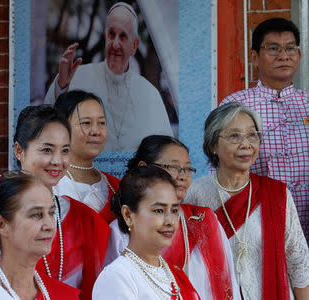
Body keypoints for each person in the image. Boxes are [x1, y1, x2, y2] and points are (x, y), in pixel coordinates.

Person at [0, 105, 109, 300]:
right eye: (47, 149)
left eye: (65, 151)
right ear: (18, 150)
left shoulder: (81, 216)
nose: (58, 161)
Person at [185, 102, 309, 299]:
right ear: (213, 145)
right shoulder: (193, 194)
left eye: (252, 135)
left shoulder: (277, 194)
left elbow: (298, 261)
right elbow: (183, 261)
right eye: (234, 136)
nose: (246, 144)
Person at [106, 135, 240, 299]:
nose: (183, 176)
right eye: (174, 167)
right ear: (144, 168)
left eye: (187, 169)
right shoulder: (122, 230)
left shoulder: (205, 220)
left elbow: (229, 283)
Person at [220, 18, 308, 241]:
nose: (283, 56)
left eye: (290, 48)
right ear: (254, 58)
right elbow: (220, 171)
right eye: (273, 48)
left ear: (298, 55)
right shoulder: (236, 106)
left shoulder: (307, 104)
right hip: (256, 228)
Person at [44, 2, 173, 151]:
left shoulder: (149, 93)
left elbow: (164, 150)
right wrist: (61, 87)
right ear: (105, 37)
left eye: (123, 36)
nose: (115, 44)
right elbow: (48, 124)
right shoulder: (78, 77)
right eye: (111, 34)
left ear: (134, 45)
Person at [93, 166, 200, 299]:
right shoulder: (117, 277)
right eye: (159, 210)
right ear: (128, 215)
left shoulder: (175, 274)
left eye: (174, 211)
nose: (170, 221)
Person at [0, 172, 80, 299]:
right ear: (1, 224)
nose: (49, 225)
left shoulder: (61, 294)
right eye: (36, 215)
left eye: (51, 212)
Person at [53, 90, 120, 223]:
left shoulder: (116, 187)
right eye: (86, 123)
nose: (96, 131)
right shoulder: (51, 186)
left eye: (101, 123)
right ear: (61, 128)